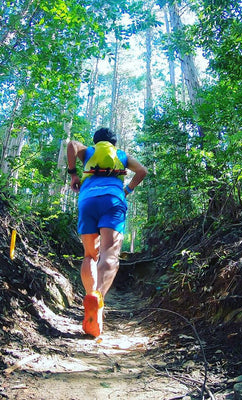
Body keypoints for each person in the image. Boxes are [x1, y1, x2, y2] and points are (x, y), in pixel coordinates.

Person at [67, 127, 147, 337]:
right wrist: (127, 190)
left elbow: (72, 145)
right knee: (109, 254)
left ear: (96, 141)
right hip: (113, 200)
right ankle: (98, 298)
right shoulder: (121, 156)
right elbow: (142, 171)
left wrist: (73, 174)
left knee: (89, 255)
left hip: (87, 200)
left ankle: (89, 298)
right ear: (114, 143)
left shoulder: (89, 152)